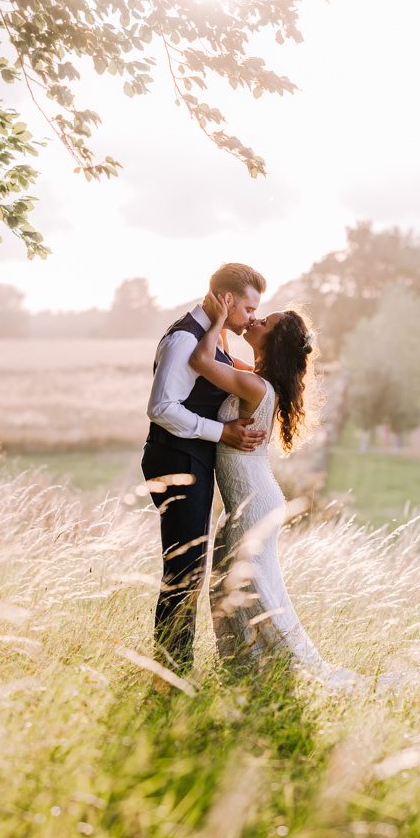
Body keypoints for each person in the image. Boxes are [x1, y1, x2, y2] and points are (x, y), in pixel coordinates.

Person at [190, 292, 363, 690]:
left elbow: (201, 361)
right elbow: (219, 359)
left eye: (263, 322)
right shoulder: (257, 379)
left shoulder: (256, 387)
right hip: (251, 499)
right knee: (233, 583)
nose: (255, 322)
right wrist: (224, 325)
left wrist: (216, 318)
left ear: (275, 340)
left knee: (243, 587)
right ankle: (251, 672)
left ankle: (262, 674)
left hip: (252, 503)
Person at [142, 263, 267, 676]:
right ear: (227, 299)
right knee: (184, 568)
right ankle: (172, 671)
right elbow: (161, 409)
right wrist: (222, 432)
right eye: (249, 308)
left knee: (190, 564)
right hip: (176, 459)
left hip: (191, 458)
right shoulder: (184, 338)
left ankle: (175, 666)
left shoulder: (213, 335)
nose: (252, 318)